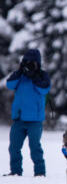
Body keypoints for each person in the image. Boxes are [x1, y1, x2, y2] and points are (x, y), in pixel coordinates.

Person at [4, 49, 51, 177]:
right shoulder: (20, 76)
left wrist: (35, 76)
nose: (29, 64)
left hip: (35, 120)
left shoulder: (42, 75)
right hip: (19, 119)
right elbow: (9, 84)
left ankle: (40, 172)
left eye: (32, 62)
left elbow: (44, 89)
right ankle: (15, 171)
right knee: (14, 148)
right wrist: (20, 71)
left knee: (35, 147)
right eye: (26, 61)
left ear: (38, 63)